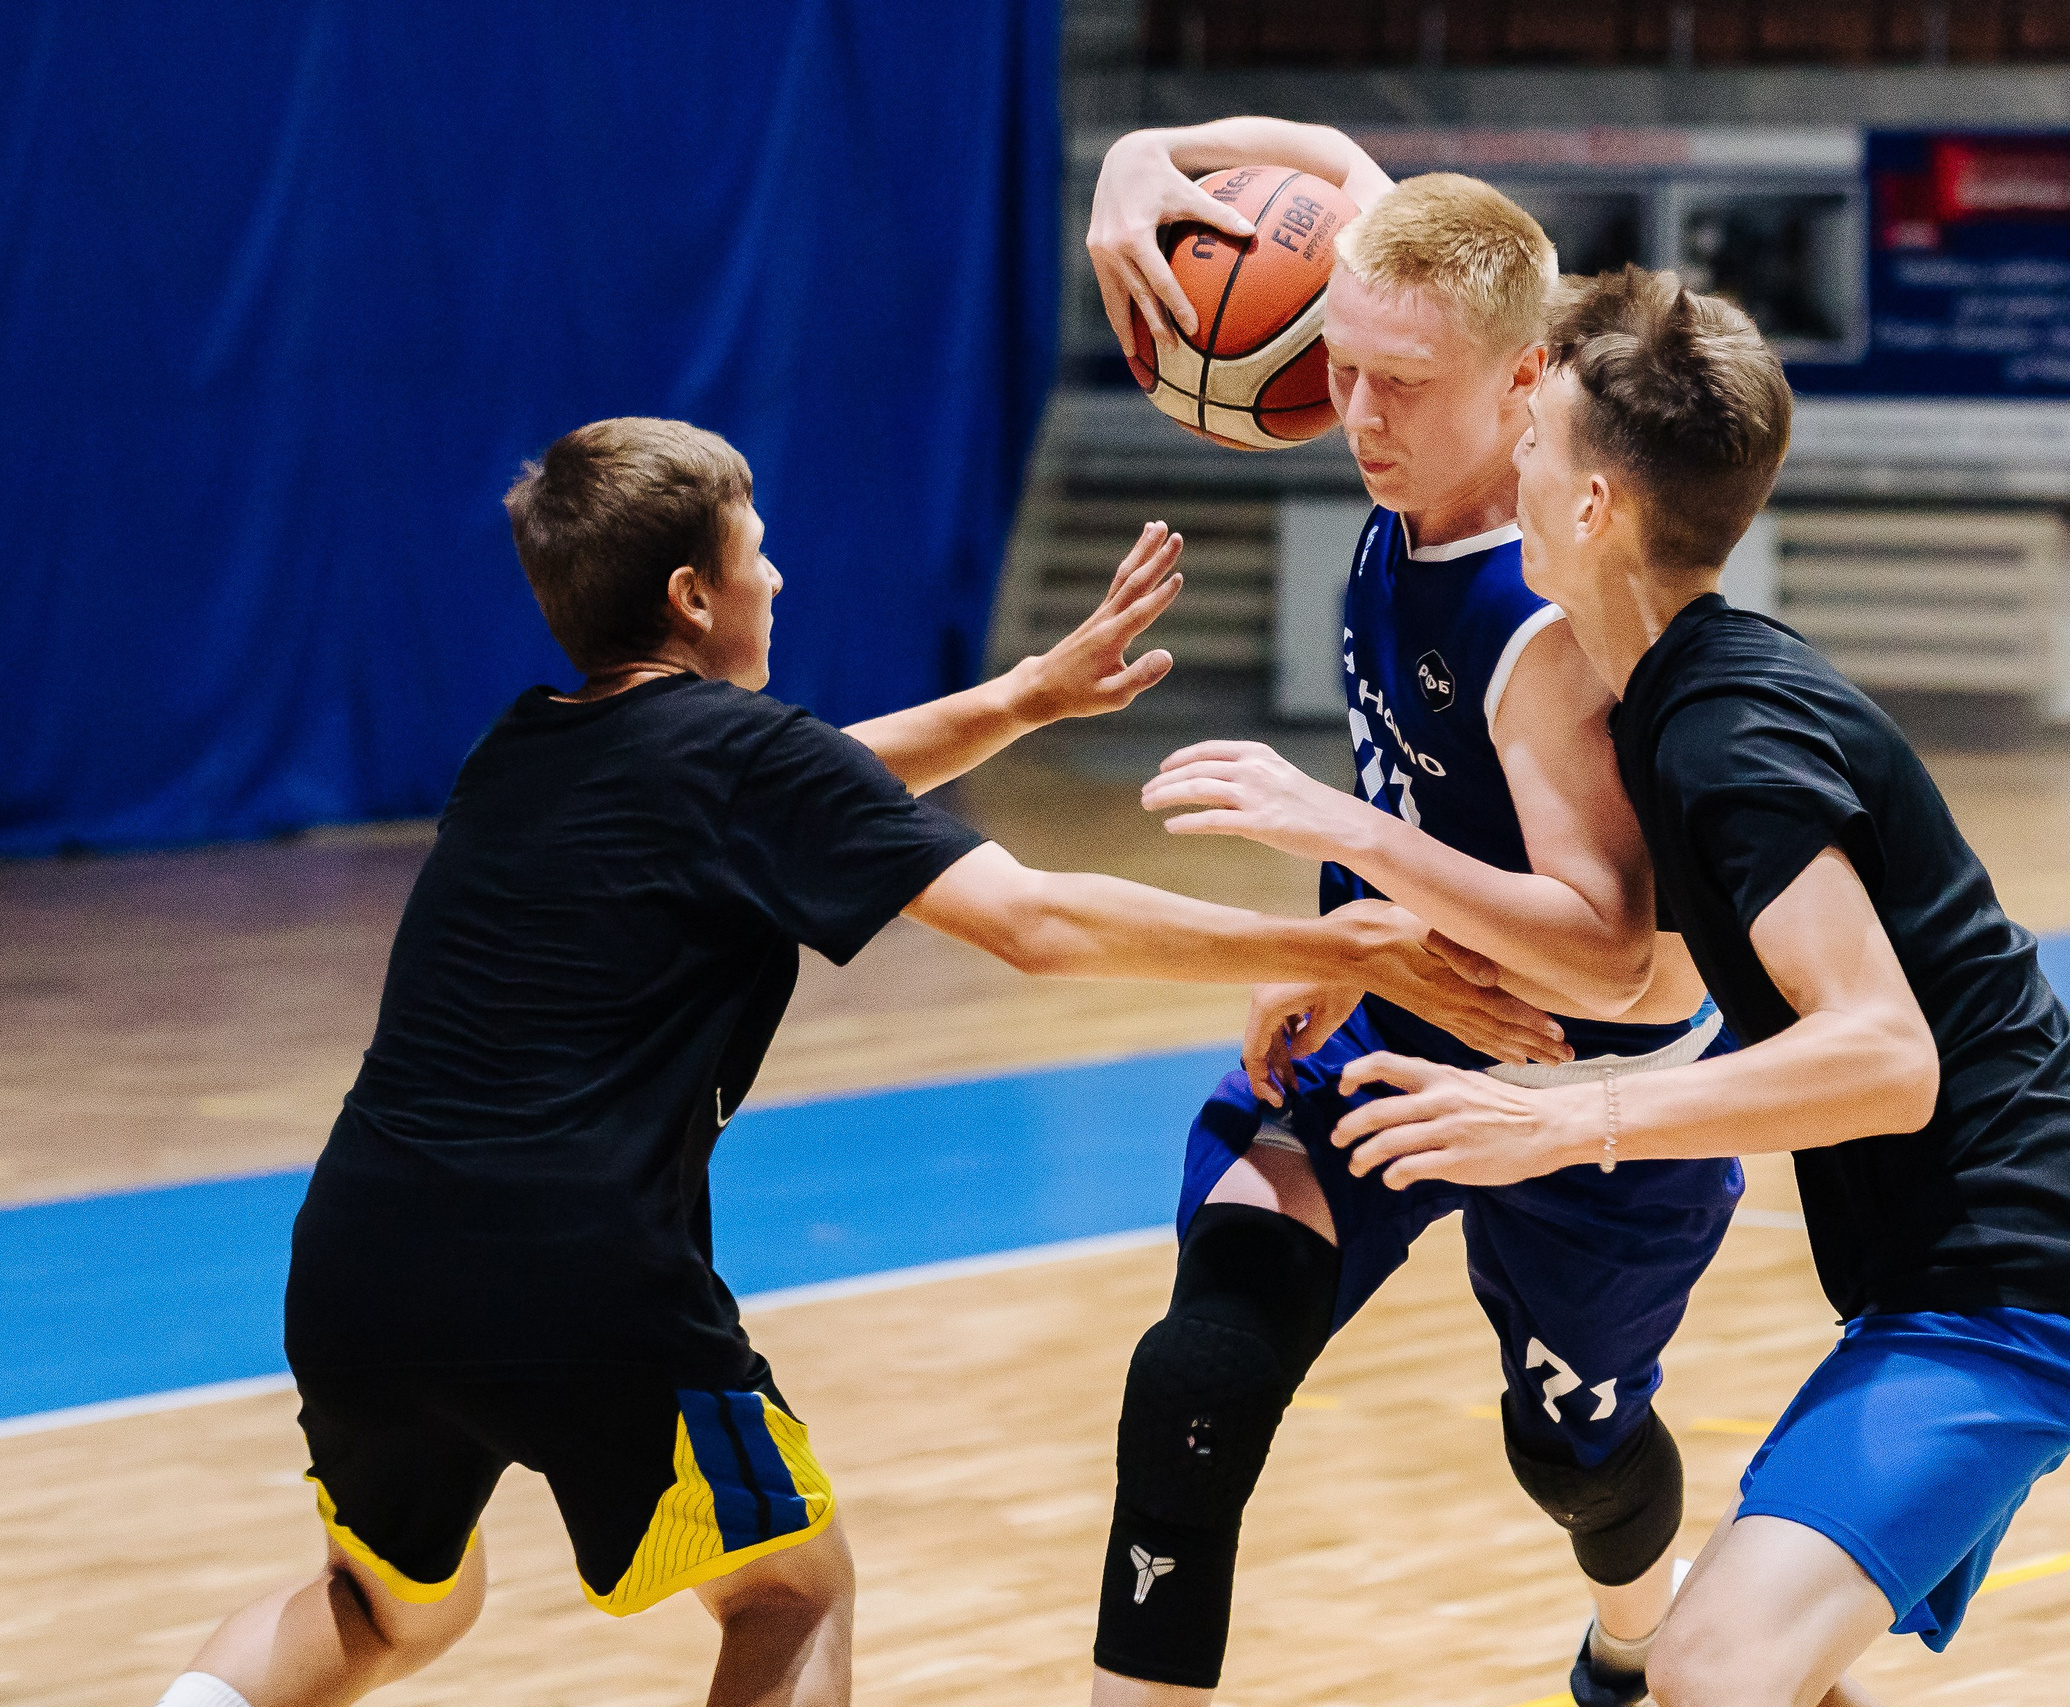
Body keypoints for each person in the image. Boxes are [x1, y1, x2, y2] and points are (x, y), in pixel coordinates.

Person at [151, 417, 1563, 1707]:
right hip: (568, 1269)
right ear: (696, 599)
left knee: (387, 1610)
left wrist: (1020, 697)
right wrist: (1346, 950)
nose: (780, 578)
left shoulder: (520, 753)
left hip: (354, 1260)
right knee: (788, 1589)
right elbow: (1034, 922)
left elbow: (808, 786)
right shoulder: (736, 759)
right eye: (758, 554)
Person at [1329, 268, 2070, 1707]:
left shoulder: (1726, 733)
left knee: (1708, 1664)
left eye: (1531, 445)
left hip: (2023, 1294)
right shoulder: (1682, 693)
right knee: (1751, 1674)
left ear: (1592, 507)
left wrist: (1567, 1119)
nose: (1508, 466)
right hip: (1948, 1285)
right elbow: (1409, 239)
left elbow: (1884, 1058)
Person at [1085, 123, 1745, 1707]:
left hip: (1580, 1081)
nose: (1350, 415)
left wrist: (1341, 837)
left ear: (1525, 388)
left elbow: (1610, 946)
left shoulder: (1542, 619)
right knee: (1197, 1373)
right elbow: (1322, 156)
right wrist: (1129, 167)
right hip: (1390, 1015)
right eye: (1341, 367)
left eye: (1398, 387)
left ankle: (1639, 1642)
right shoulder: (1422, 312)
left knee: (1573, 1461)